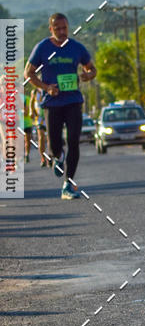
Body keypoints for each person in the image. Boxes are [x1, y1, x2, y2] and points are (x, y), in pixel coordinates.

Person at [25, 14, 97, 199]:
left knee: (74, 140)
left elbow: (92, 68)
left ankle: (68, 184)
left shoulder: (76, 48)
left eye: (64, 28)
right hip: (52, 103)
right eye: (57, 29)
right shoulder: (42, 48)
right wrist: (46, 87)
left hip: (73, 101)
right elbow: (29, 73)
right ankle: (58, 156)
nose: (62, 32)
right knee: (54, 143)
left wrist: (88, 75)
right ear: (51, 29)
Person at [30, 87, 49, 167]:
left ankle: (50, 157)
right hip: (39, 118)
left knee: (49, 138)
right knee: (41, 137)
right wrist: (32, 112)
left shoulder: (48, 88)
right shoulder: (34, 91)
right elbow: (31, 102)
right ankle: (43, 158)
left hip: (48, 115)